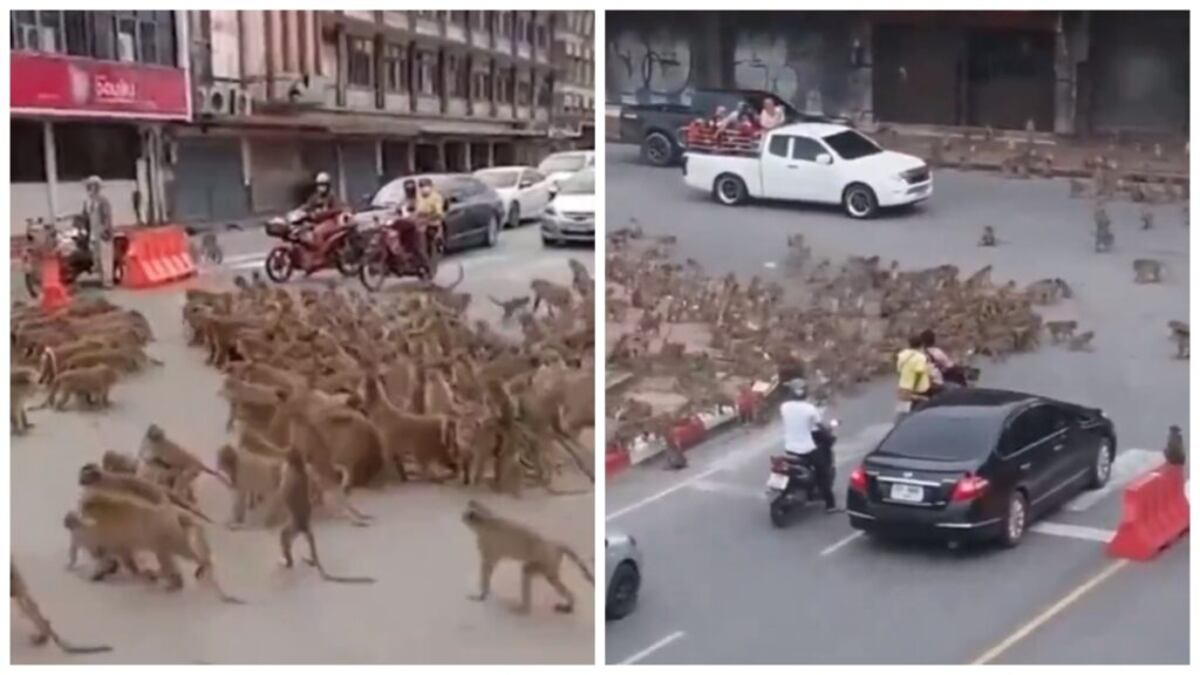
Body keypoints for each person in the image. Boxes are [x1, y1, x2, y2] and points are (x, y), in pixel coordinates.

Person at [780, 379, 837, 513]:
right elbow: (820, 427)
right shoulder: (810, 409)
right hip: (807, 449)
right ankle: (830, 505)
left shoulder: (784, 407)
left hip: (789, 448)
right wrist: (828, 434)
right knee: (823, 472)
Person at [82, 176, 114, 288]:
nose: (89, 189)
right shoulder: (88, 202)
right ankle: (101, 279)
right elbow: (85, 217)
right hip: (93, 232)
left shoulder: (103, 201)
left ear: (96, 188)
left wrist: (104, 229)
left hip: (102, 233)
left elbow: (107, 217)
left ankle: (108, 281)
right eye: (88, 187)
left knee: (105, 258)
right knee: (97, 258)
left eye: (91, 186)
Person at [298, 171, 344, 248]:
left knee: (317, 232)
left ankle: (320, 254)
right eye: (319, 185)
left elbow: (337, 209)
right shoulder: (315, 196)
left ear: (328, 185)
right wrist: (298, 211)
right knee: (302, 231)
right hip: (317, 221)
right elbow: (307, 205)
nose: (321, 187)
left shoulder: (332, 196)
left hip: (330, 221)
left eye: (323, 185)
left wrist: (324, 214)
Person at [896, 335, 932, 422]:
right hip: (919, 388)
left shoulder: (902, 355)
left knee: (903, 409)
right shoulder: (920, 357)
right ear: (921, 345)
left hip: (904, 386)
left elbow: (899, 369)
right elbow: (918, 373)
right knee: (918, 408)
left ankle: (900, 424)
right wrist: (914, 386)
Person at [920, 329, 959, 395]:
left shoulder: (918, 353)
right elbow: (950, 366)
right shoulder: (937, 352)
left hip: (920, 385)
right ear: (933, 340)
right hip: (936, 385)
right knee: (957, 388)